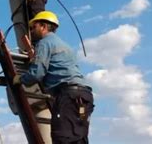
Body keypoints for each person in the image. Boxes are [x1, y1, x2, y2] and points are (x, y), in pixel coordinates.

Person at [14, 11, 94, 143]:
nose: (32, 31)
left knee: (62, 137)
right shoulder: (64, 45)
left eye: (34, 27)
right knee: (79, 137)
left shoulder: (44, 43)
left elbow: (37, 73)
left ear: (44, 27)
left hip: (68, 96)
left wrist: (20, 79)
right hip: (84, 96)